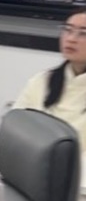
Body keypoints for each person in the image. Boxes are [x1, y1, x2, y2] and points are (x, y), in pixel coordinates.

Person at [11, 8, 86, 145]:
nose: (71, 39)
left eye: (83, 33)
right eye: (68, 30)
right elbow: (14, 130)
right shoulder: (42, 81)